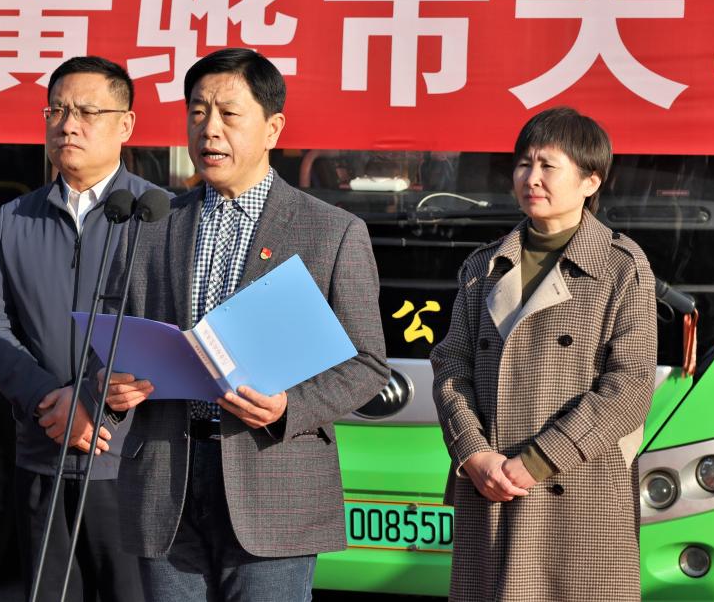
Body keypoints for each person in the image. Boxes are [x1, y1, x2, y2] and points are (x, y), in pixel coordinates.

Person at [100, 48, 389, 602]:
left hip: (272, 475)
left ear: (273, 128)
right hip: (167, 476)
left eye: (229, 114)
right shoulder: (154, 223)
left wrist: (289, 407)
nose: (209, 129)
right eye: (197, 112)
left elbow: (367, 362)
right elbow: (117, 337)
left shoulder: (331, 231)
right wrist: (109, 385)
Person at [431, 106, 657, 602]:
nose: (531, 178)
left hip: (576, 489)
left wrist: (537, 460)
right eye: (523, 164)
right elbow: (451, 367)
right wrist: (473, 454)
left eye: (548, 165)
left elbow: (630, 386)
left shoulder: (621, 266)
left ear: (590, 181)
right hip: (491, 487)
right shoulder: (483, 265)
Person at [0, 56, 154, 602]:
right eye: (56, 110)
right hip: (42, 450)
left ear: (125, 125)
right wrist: (46, 398)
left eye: (87, 112)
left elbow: (167, 323)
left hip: (129, 461)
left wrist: (90, 401)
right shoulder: (16, 218)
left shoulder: (159, 215)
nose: (68, 125)